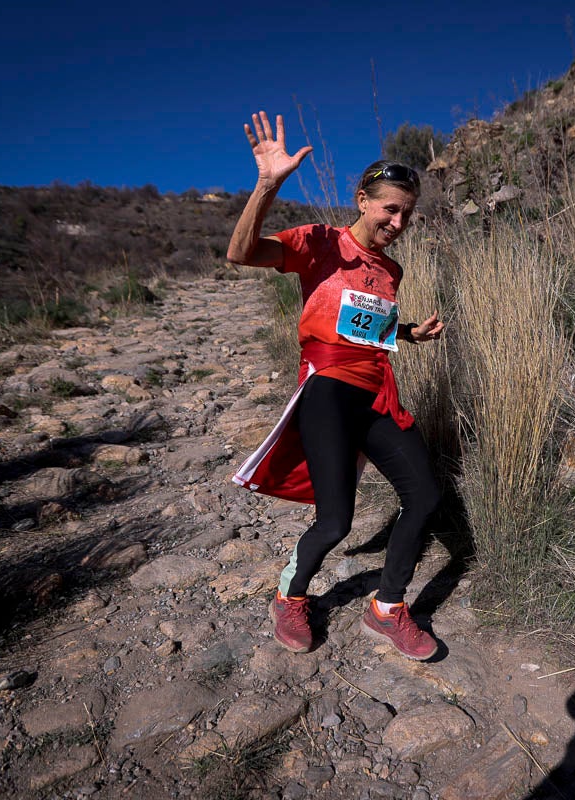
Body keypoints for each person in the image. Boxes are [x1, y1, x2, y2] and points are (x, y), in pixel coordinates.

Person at [226, 111, 445, 661]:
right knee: (335, 521)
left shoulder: (391, 271)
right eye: (390, 208)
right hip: (326, 390)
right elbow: (241, 253)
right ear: (362, 200)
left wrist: (408, 332)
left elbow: (364, 324)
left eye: (407, 213)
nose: (398, 221)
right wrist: (267, 185)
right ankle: (290, 595)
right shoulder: (319, 242)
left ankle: (387, 608)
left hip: (376, 392)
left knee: (425, 495)